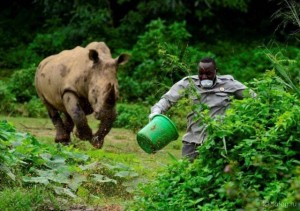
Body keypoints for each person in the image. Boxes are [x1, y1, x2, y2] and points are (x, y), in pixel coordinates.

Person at [149, 57, 248, 162]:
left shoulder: (229, 84)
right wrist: (156, 112)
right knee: (186, 173)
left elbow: (253, 98)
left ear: (216, 71)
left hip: (217, 142)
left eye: (208, 74)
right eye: (201, 73)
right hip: (192, 141)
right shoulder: (189, 83)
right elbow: (167, 99)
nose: (204, 77)